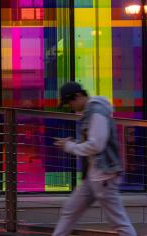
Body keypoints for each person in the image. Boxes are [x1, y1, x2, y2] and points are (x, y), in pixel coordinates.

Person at [52, 82, 136, 236]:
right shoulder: (90, 112)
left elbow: (96, 145)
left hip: (103, 176)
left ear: (78, 96)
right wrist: (72, 144)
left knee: (119, 223)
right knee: (70, 211)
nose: (70, 107)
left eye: (70, 102)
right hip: (94, 175)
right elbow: (94, 143)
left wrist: (70, 147)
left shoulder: (96, 112)